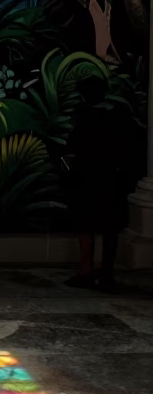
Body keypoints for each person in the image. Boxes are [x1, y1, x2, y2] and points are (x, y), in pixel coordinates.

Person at [62, 98, 143, 290]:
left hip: (87, 179)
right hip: (112, 181)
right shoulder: (122, 121)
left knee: (85, 226)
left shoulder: (84, 122)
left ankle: (86, 271)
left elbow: (71, 148)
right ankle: (106, 273)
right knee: (110, 229)